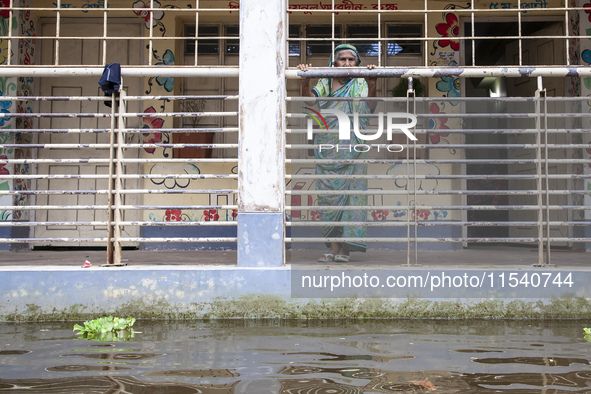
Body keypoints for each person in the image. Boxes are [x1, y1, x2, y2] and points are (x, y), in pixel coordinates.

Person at [297, 44, 377, 263]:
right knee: (328, 199)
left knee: (351, 199)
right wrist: (305, 81)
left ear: (357, 63)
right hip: (327, 149)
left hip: (354, 148)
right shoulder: (324, 81)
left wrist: (372, 84)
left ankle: (345, 250)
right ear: (335, 63)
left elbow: (370, 107)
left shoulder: (360, 82)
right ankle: (333, 247)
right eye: (343, 59)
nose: (347, 63)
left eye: (352, 60)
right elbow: (310, 102)